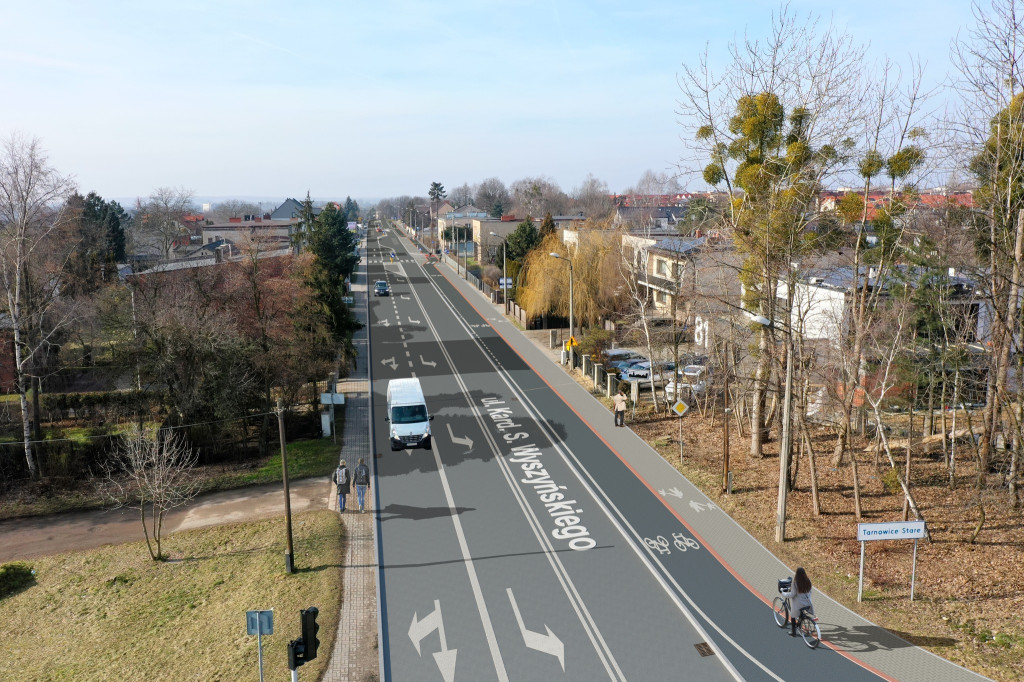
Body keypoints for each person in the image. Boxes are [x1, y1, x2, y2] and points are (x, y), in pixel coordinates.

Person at [781, 566, 814, 636]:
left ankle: (793, 633)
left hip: (799, 605)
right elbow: (810, 591)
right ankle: (801, 621)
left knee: (793, 617)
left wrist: (783, 593)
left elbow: (791, 595)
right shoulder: (808, 581)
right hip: (808, 603)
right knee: (800, 614)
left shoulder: (795, 583)